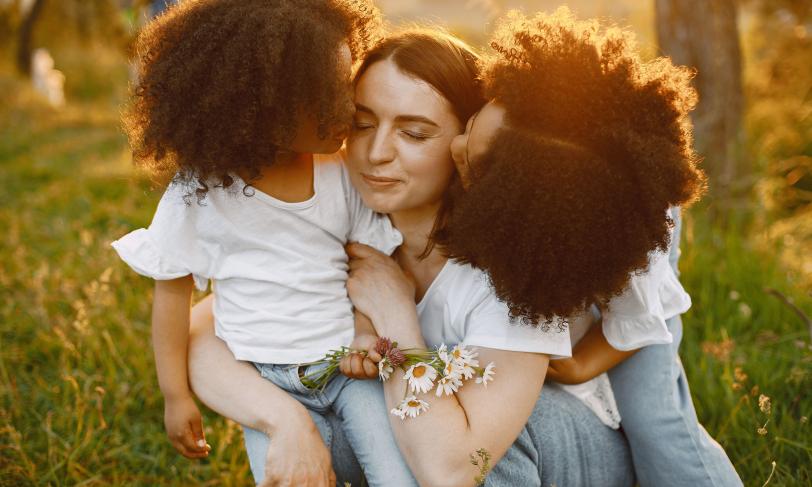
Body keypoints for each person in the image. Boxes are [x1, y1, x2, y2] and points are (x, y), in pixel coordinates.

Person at [189, 27, 636, 487]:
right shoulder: (343, 220)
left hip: (562, 449)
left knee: (457, 424)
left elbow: (456, 470)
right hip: (436, 441)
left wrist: (395, 319)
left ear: (465, 143)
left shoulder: (517, 264)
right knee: (306, 387)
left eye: (415, 132)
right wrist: (282, 420)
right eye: (361, 124)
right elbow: (207, 329)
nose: (377, 153)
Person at [111, 1, 419, 486]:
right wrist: (176, 395)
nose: (345, 108)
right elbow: (172, 294)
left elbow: (368, 265)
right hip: (264, 382)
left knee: (398, 476)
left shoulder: (340, 172)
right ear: (253, 103)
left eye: (345, 86)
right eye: (323, 94)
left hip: (350, 375)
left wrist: (364, 332)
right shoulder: (203, 192)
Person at [442, 9, 742, 486]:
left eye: (480, 164)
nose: (457, 147)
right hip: (562, 215)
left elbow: (638, 320)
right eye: (471, 125)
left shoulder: (629, 225)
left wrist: (580, 366)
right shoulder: (502, 126)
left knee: (654, 418)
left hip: (632, 244)